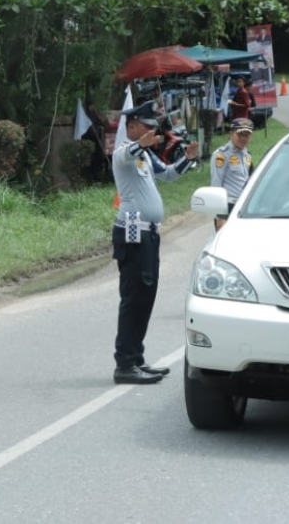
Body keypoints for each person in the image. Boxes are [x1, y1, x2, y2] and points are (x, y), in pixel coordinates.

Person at [111, 100, 199, 384]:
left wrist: (188, 157)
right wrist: (143, 143)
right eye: (146, 128)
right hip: (132, 230)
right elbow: (126, 155)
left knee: (146, 296)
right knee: (134, 297)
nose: (151, 133)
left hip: (149, 232)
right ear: (132, 126)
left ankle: (136, 358)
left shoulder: (146, 156)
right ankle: (124, 363)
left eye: (152, 129)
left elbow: (170, 174)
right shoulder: (122, 152)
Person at [210, 120, 254, 231]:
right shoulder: (221, 155)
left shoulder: (247, 155)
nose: (244, 138)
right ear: (231, 134)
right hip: (228, 208)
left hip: (244, 208)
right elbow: (216, 186)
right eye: (240, 134)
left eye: (247, 134)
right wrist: (220, 217)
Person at [82, 95, 109, 182]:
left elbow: (103, 122)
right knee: (90, 159)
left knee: (98, 158)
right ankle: (90, 177)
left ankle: (97, 176)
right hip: (87, 139)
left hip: (97, 139)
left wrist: (96, 112)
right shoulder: (83, 114)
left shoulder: (96, 113)